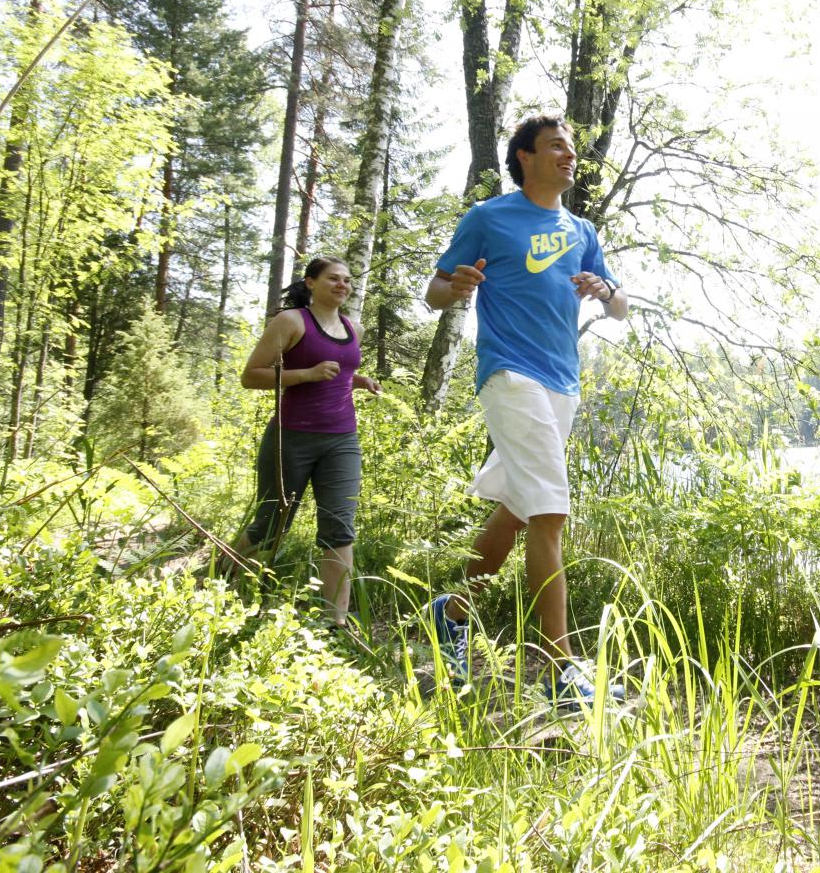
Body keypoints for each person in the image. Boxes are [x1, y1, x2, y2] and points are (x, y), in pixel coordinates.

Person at [425, 113, 630, 711]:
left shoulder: (581, 229)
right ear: (524, 158)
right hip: (509, 372)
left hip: (563, 379)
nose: (569, 155)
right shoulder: (488, 218)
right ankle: (560, 668)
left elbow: (619, 306)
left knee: (518, 510)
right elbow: (435, 291)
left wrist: (604, 290)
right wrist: (456, 286)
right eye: (555, 147)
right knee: (549, 512)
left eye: (571, 148)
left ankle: (451, 613)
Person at [234, 256, 381, 627]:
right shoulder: (291, 321)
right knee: (271, 525)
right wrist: (307, 374)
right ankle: (224, 579)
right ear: (311, 282)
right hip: (291, 437)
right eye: (333, 278)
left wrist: (357, 381)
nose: (342, 285)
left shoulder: (353, 328)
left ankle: (336, 622)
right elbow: (251, 376)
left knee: (339, 525)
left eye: (347, 280)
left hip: (342, 439)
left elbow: (339, 374)